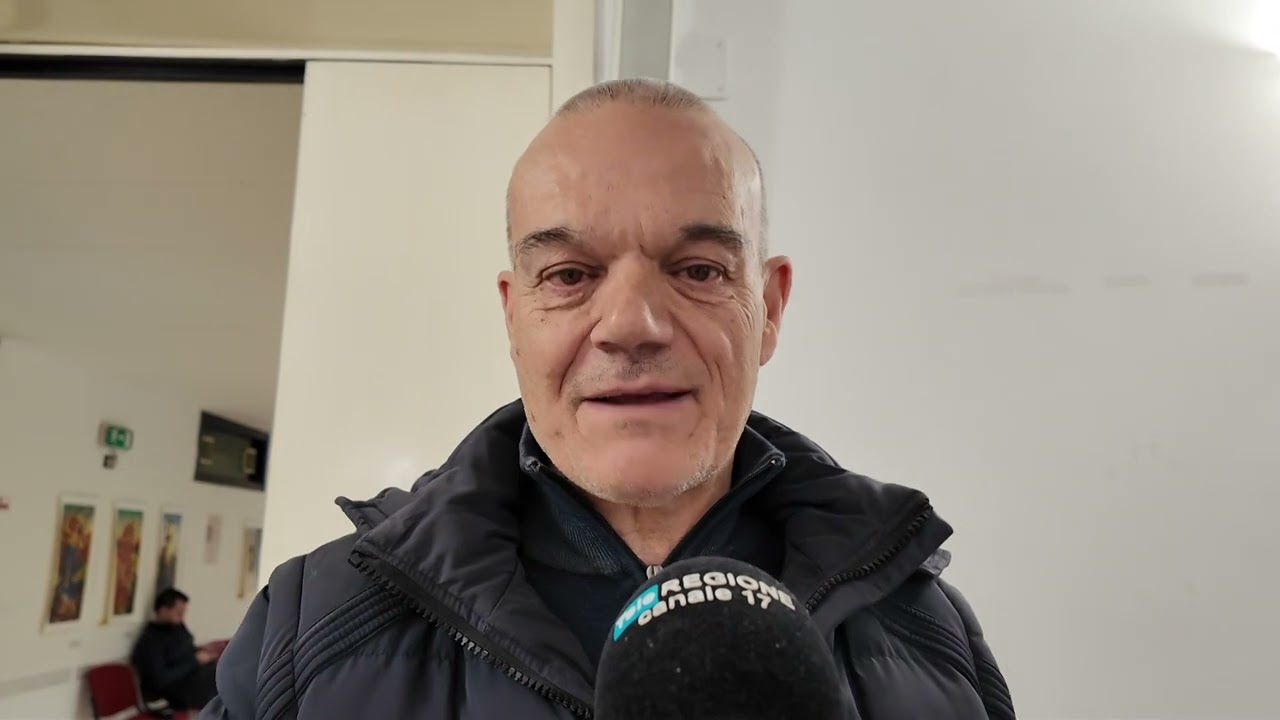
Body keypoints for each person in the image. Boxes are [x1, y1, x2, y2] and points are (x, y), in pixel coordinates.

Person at [203, 79, 1014, 719]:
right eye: (569, 275)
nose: (631, 325)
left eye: (699, 270)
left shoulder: (931, 632)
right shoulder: (308, 629)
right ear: (514, 317)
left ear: (769, 308)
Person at [132, 588, 221, 711]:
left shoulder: (178, 627)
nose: (182, 617)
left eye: (183, 613)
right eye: (178, 613)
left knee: (228, 674)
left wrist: (200, 651)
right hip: (174, 692)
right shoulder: (151, 641)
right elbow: (160, 680)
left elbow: (185, 649)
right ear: (163, 610)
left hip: (195, 677)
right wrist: (195, 660)